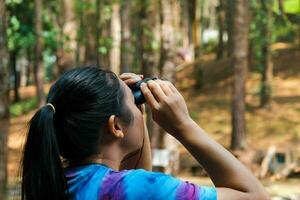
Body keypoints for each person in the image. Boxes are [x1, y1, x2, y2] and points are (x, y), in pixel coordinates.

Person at [21, 66, 269, 200]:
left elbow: (134, 180)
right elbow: (255, 197)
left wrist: (130, 105)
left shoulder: (51, 184)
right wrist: (183, 125)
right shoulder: (141, 188)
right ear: (116, 126)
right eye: (134, 105)